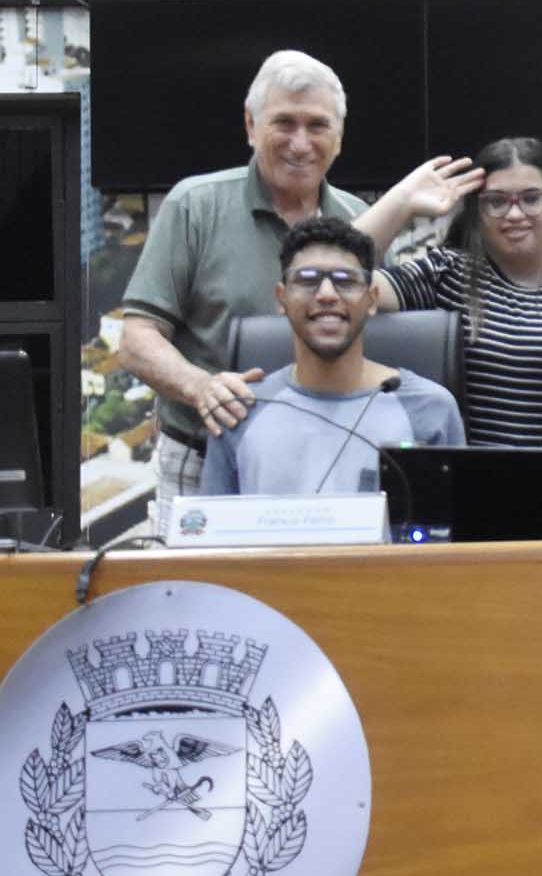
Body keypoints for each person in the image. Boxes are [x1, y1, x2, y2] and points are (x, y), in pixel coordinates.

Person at [119, 49, 478, 533]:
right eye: (284, 123)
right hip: (203, 449)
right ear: (251, 126)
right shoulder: (194, 206)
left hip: (331, 454)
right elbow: (137, 339)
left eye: (317, 125)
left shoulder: (357, 221)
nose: (300, 143)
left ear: (339, 137)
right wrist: (203, 388)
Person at [362, 136, 542, 446]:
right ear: (477, 215)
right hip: (472, 481)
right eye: (496, 202)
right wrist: (401, 202)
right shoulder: (449, 272)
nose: (514, 214)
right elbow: (342, 280)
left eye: (531, 198)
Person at [200, 218, 462, 497]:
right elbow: (210, 536)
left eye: (345, 281)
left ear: (372, 300)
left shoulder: (431, 408)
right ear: (281, 298)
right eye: (307, 280)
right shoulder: (239, 410)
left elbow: (458, 536)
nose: (326, 295)